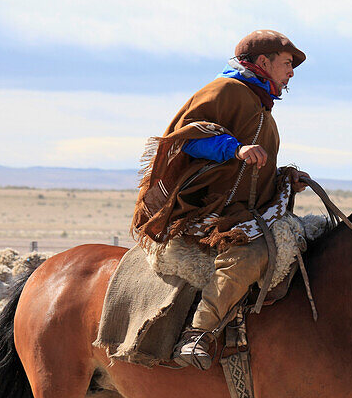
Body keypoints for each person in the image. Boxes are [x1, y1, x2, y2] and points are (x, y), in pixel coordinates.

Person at [131, 29, 309, 369]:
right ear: (262, 62)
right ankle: (198, 334)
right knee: (249, 255)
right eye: (286, 64)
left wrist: (286, 178)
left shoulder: (261, 105)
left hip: (243, 210)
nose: (291, 73)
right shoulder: (226, 90)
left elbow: (252, 172)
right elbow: (187, 138)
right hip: (209, 211)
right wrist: (235, 148)